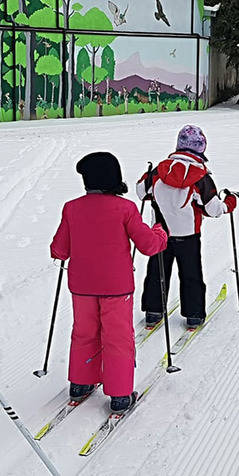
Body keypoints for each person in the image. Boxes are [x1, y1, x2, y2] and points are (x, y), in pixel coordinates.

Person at [51, 152, 167, 413]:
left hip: (81, 286)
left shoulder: (72, 207)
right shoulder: (125, 208)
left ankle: (80, 383)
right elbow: (148, 245)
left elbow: (59, 248)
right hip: (116, 288)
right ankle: (120, 394)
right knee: (117, 338)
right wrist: (160, 232)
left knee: (84, 333)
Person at [137, 125, 237, 329]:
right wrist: (229, 203)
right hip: (188, 234)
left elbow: (142, 192)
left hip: (160, 232)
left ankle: (153, 312)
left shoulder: (159, 169)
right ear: (201, 148)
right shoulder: (201, 176)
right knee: (191, 273)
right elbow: (213, 209)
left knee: (157, 272)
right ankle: (193, 315)